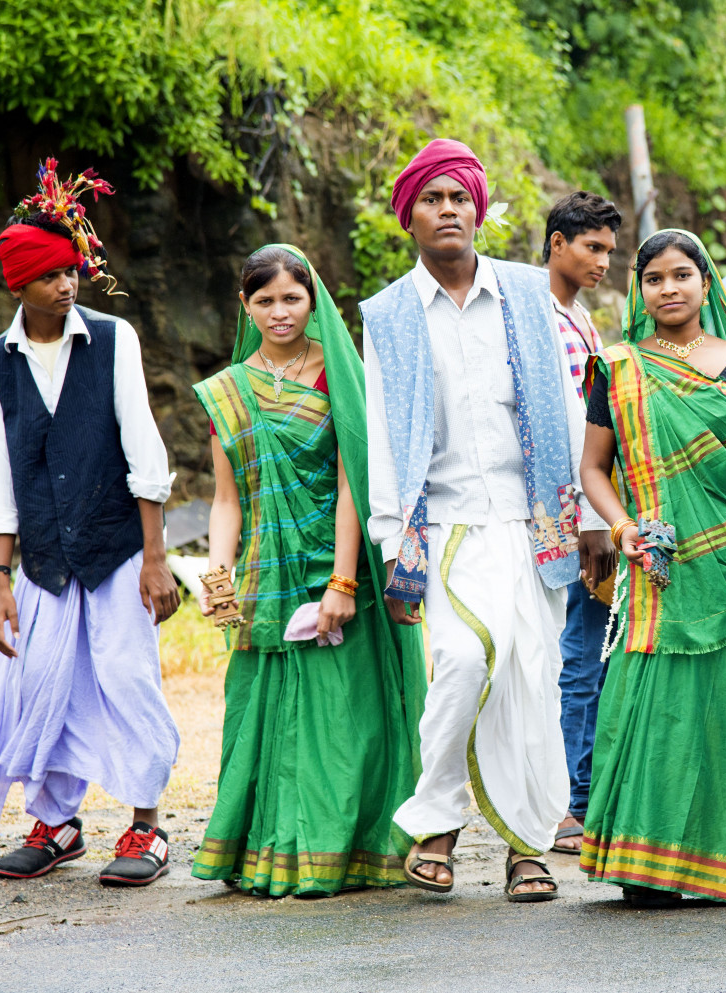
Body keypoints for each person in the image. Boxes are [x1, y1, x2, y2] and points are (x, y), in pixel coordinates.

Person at [362, 139, 607, 903]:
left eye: (459, 198)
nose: (448, 211)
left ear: (479, 209)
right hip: (446, 527)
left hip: (535, 520)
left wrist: (594, 520)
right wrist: (387, 534)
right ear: (410, 217)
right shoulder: (389, 313)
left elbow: (571, 407)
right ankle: (437, 816)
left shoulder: (531, 293)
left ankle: (525, 845)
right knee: (466, 660)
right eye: (432, 200)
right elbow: (380, 428)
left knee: (530, 678)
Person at [0, 162, 182, 886]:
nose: (68, 283)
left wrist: (155, 557)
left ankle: (146, 829)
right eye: (52, 275)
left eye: (72, 270)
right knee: (44, 682)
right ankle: (57, 823)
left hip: (117, 548)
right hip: (44, 559)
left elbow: (142, 447)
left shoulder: (113, 341)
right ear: (18, 285)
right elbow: (0, 474)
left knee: (126, 676)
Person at [577, 229, 726, 906]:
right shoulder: (618, 368)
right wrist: (622, 528)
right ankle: (649, 859)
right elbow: (594, 466)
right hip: (659, 568)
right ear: (638, 290)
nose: (669, 288)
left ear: (707, 283)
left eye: (683, 275)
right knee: (657, 709)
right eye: (654, 279)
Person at [189, 245, 426, 896]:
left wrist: (343, 582)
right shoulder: (229, 391)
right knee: (262, 711)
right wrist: (217, 577)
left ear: (313, 298)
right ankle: (269, 852)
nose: (279, 312)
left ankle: (344, 850)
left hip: (334, 566)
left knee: (341, 717)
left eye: (291, 297)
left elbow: (356, 482)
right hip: (267, 577)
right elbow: (226, 498)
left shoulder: (341, 377)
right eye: (264, 300)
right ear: (245, 306)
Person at [540, 191, 622, 856]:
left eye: (608, 252)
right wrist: (589, 518)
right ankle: (571, 802)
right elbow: (555, 426)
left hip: (589, 509)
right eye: (591, 247)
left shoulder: (583, 320)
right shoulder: (537, 317)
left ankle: (580, 792)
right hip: (560, 516)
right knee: (575, 650)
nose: (601, 262)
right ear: (557, 242)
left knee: (585, 648)